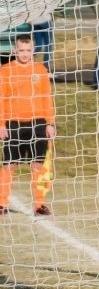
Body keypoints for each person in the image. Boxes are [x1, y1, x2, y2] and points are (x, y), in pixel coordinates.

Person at [0, 35, 55, 216]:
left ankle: (39, 205)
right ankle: (1, 203)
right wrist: (1, 124)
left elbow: (46, 97)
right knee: (9, 164)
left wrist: (50, 122)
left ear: (33, 50)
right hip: (13, 123)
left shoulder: (40, 69)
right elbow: (2, 98)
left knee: (38, 164)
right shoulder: (5, 70)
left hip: (37, 123)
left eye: (28, 50)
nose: (24, 54)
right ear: (15, 50)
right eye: (21, 50)